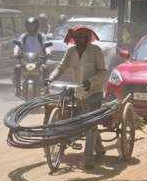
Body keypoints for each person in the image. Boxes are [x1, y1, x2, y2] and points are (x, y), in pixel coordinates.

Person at [46, 25, 108, 169]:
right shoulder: (71, 51)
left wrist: (91, 82)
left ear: (87, 38)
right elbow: (61, 67)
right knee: (87, 122)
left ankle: (88, 158)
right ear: (73, 39)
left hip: (94, 92)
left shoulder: (95, 51)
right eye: (77, 38)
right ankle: (99, 149)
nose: (79, 40)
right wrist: (50, 78)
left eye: (82, 37)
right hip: (79, 93)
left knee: (90, 124)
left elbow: (103, 72)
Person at [14, 17, 48, 97]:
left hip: (38, 60)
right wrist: (16, 53)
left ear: (36, 26)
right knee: (17, 67)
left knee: (45, 68)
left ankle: (46, 88)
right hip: (26, 60)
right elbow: (18, 45)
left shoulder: (41, 36)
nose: (31, 28)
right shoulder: (24, 36)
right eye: (29, 26)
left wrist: (48, 53)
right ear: (26, 26)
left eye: (33, 26)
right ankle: (18, 88)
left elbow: (46, 45)